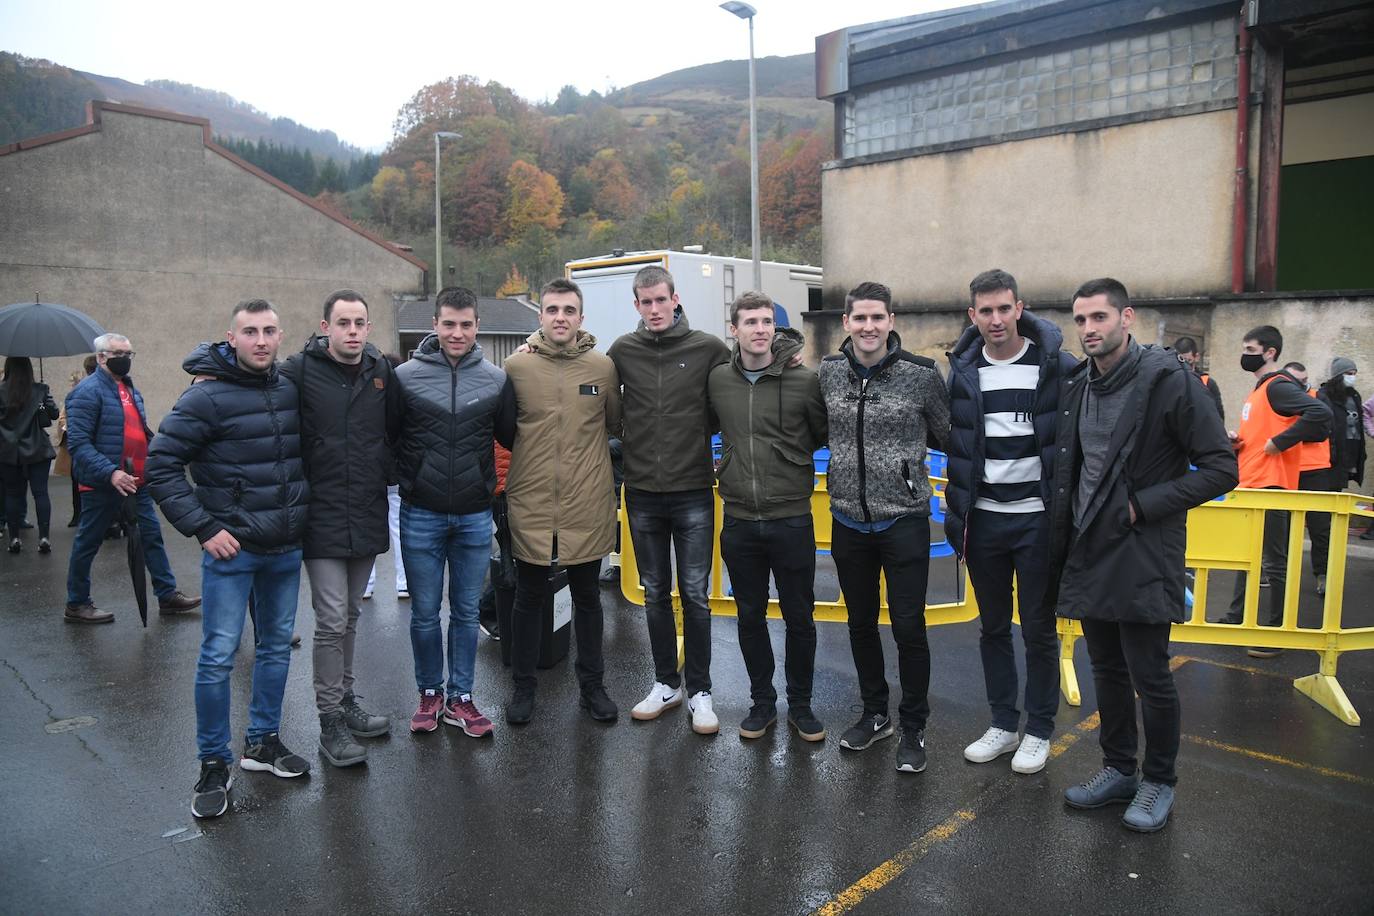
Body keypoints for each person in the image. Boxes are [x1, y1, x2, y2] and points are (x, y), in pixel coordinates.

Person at [1049, 278, 1237, 833]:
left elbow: (1222, 468)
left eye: (1099, 318)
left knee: (1149, 674)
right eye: (1080, 320)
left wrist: (1141, 507)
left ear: (1126, 318)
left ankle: (1159, 781)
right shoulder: (1080, 383)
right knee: (1105, 667)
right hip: (1089, 545)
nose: (1088, 329)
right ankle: (1118, 770)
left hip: (1142, 548)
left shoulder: (1169, 382)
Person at [146, 299, 312, 819]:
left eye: (269, 331)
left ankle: (262, 742)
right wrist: (204, 526)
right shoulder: (205, 398)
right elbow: (161, 465)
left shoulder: (289, 388)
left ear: (280, 335)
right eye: (250, 332)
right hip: (233, 550)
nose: (261, 340)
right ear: (231, 337)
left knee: (275, 650)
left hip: (284, 549)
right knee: (218, 657)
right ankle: (213, 763)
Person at [945, 269, 1076, 775]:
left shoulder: (1057, 367)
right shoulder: (961, 372)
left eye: (1004, 308)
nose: (996, 319)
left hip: (1037, 522)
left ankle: (1039, 730)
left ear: (1019, 308)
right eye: (986, 311)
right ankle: (1003, 723)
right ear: (972, 315)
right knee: (993, 628)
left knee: (1039, 630)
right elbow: (950, 439)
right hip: (984, 522)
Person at [819, 281, 950, 774]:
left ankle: (913, 724)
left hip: (904, 519)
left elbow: (951, 433)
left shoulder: (920, 375)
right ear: (847, 324)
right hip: (848, 518)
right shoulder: (828, 373)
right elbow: (811, 428)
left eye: (878, 317)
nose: (869, 327)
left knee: (909, 627)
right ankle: (875, 714)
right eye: (860, 318)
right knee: (859, 623)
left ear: (891, 321)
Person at [608, 266, 731, 735]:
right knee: (655, 593)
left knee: (696, 594)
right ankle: (666, 683)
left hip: (693, 491)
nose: (655, 309)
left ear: (675, 299)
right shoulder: (622, 350)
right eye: (646, 302)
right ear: (636, 304)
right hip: (641, 492)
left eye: (661, 300)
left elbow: (724, 409)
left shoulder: (708, 348)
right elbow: (607, 407)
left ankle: (700, 691)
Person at [279, 290, 398, 768]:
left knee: (349, 615)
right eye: (343, 322)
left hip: (365, 509)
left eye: (360, 323)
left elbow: (396, 429)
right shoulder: (298, 371)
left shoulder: (380, 372)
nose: (352, 330)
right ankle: (329, 720)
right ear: (325, 326)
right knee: (330, 621)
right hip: (321, 513)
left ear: (369, 328)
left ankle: (345, 702)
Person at [394, 287, 515, 737]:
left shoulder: (496, 380)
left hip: (472, 515)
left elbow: (510, 437)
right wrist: (410, 479)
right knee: (425, 613)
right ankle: (430, 693)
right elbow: (390, 437)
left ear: (477, 326)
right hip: (421, 512)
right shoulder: (405, 377)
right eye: (449, 324)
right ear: (435, 325)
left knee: (465, 613)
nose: (457, 332)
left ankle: (461, 698)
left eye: (466, 324)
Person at [708, 291, 828, 741]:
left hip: (791, 517)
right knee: (749, 616)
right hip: (739, 519)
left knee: (800, 617)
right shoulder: (718, 380)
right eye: (751, 322)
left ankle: (801, 705)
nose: (761, 330)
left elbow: (819, 433)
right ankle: (763, 703)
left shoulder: (804, 381)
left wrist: (785, 460)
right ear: (734, 329)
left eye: (767, 322)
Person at [503, 278, 621, 725]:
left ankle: (592, 688)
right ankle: (523, 688)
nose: (560, 318)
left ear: (581, 318)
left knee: (589, 597)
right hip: (532, 502)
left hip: (586, 502)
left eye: (568, 310)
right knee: (529, 597)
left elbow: (614, 423)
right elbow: (504, 429)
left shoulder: (602, 368)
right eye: (552, 310)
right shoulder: (517, 367)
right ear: (540, 316)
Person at [64, 333, 200, 624]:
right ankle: (76, 603)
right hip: (103, 483)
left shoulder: (128, 388)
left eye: (129, 353)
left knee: (152, 537)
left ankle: (167, 595)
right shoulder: (85, 393)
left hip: (136, 480)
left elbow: (139, 431)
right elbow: (78, 445)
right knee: (88, 541)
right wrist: (110, 472)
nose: (125, 359)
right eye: (118, 353)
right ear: (101, 357)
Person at [1221, 327, 1330, 657]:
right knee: (1247, 557)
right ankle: (1236, 617)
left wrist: (1279, 442)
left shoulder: (1278, 386)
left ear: (1269, 352)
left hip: (1271, 485)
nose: (1245, 353)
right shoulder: (1259, 391)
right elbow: (1264, 432)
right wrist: (1240, 442)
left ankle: (1275, 632)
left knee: (1274, 562)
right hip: (1252, 484)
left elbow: (1320, 413)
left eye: (1250, 347)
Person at [1281, 362, 1339, 595]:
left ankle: (1322, 573)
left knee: (1319, 527)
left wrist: (1286, 435)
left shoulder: (1318, 398)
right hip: (1285, 469)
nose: (1301, 385)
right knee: (1280, 526)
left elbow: (1322, 430)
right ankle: (1277, 573)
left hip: (1314, 470)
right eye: (1296, 381)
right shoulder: (1277, 397)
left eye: (1303, 380)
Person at [1, 357, 60, 553]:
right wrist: (43, 397)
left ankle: (15, 538)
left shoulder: (1, 391)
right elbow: (53, 414)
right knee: (40, 493)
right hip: (38, 449)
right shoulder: (39, 389)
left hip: (8, 451)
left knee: (12, 494)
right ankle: (44, 537)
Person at [365, 353, 409, 602]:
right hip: (397, 475)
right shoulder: (401, 397)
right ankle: (404, 583)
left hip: (373, 473)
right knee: (399, 529)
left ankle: (366, 584)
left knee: (370, 528)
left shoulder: (371, 397)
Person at [1313, 359, 1366, 559]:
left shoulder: (1355, 396)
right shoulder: (1324, 396)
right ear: (1338, 375)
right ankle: (1323, 563)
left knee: (1336, 508)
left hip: (1348, 459)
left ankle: (1332, 556)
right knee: (1323, 515)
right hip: (1330, 461)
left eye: (1355, 372)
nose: (1352, 376)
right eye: (1349, 372)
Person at [1173, 336, 1224, 422]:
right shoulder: (1170, 381)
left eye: (1188, 361)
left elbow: (1218, 417)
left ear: (1196, 357)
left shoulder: (1207, 383)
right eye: (1181, 361)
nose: (1184, 365)